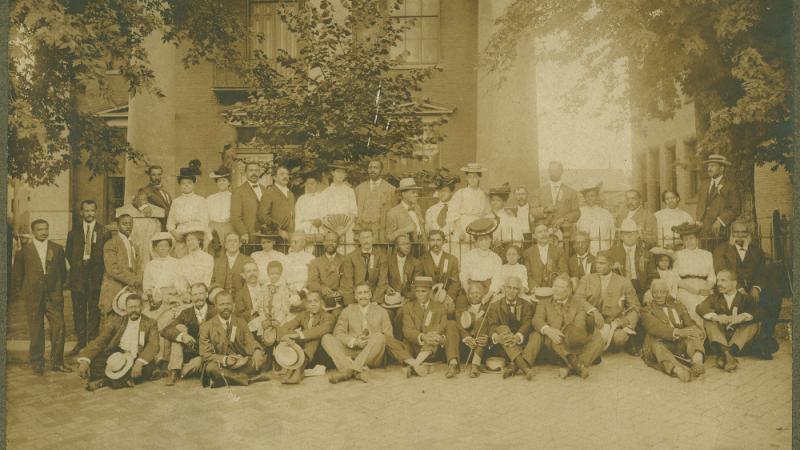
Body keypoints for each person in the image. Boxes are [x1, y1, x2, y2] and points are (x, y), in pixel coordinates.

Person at [12, 219, 70, 375]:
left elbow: (62, 273)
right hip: (33, 296)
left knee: (59, 328)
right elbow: (18, 276)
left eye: (46, 228)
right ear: (33, 232)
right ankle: (37, 363)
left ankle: (57, 362)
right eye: (39, 229)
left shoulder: (57, 249)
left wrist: (57, 289)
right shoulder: (23, 252)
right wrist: (26, 293)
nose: (44, 232)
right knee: (36, 329)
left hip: (53, 295)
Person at [713, 221, 777, 358]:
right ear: (731, 233)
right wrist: (739, 289)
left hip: (752, 288)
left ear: (748, 234)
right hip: (732, 288)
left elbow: (762, 273)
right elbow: (722, 272)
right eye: (736, 232)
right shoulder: (722, 249)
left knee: (772, 299)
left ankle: (763, 340)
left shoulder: (756, 250)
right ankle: (752, 345)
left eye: (743, 232)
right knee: (747, 304)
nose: (739, 235)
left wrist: (756, 288)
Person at [77, 294, 159, 391]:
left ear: (141, 307)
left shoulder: (150, 323)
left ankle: (105, 381)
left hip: (137, 356)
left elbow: (153, 345)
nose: (133, 310)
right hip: (118, 355)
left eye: (136, 306)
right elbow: (101, 340)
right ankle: (122, 380)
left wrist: (139, 363)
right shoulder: (118, 321)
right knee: (95, 363)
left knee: (146, 368)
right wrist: (85, 360)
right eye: (130, 307)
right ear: (126, 308)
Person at [322, 282, 400, 384]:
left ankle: (347, 371)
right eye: (360, 293)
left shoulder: (381, 311)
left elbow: (389, 337)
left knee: (380, 337)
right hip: (352, 351)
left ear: (370, 295)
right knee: (326, 338)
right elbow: (338, 333)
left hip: (372, 355)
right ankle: (356, 370)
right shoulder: (347, 310)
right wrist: (354, 341)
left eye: (366, 292)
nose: (363, 296)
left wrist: (370, 340)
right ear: (355, 296)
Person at [528, 277, 605, 379]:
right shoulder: (544, 303)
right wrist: (549, 331)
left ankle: (572, 367)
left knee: (597, 337)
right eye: (554, 286)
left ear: (568, 291)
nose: (555, 289)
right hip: (554, 342)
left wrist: (566, 333)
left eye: (559, 287)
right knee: (554, 338)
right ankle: (577, 366)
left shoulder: (578, 304)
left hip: (572, 338)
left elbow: (579, 326)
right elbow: (537, 320)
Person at [199, 290, 269, 387]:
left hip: (240, 362)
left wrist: (256, 350)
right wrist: (225, 359)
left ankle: (222, 380)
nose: (226, 307)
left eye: (228, 304)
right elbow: (205, 354)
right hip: (221, 364)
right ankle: (246, 379)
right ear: (215, 306)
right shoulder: (206, 327)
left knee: (259, 360)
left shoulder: (241, 322)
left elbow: (250, 341)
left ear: (233, 305)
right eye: (222, 304)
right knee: (211, 368)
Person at [696, 269, 762, 372]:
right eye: (718, 281)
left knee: (754, 323)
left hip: (737, 338)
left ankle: (726, 353)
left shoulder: (745, 298)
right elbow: (700, 308)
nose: (719, 284)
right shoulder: (714, 298)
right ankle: (728, 355)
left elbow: (759, 311)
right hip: (720, 337)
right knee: (708, 321)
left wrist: (742, 317)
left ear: (734, 283)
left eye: (723, 280)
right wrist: (717, 317)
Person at [640, 279, 706, 382]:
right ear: (651, 294)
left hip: (678, 343)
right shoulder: (647, 310)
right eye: (655, 292)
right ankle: (677, 369)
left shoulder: (677, 305)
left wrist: (696, 330)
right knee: (656, 345)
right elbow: (655, 327)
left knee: (692, 333)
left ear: (667, 292)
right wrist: (678, 332)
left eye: (662, 292)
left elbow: (688, 321)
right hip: (661, 343)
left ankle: (697, 362)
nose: (659, 295)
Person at [574, 254, 640, 354]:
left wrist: (623, 322)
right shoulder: (587, 279)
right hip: (591, 320)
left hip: (613, 322)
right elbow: (578, 298)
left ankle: (613, 341)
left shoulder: (623, 282)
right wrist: (594, 311)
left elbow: (635, 307)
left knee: (619, 339)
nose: (598, 266)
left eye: (602, 263)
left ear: (611, 265)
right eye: (596, 263)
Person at [65, 200, 107, 356]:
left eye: (92, 210)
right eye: (86, 211)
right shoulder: (73, 233)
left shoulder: (104, 231)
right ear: (81, 212)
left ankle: (92, 342)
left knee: (94, 310)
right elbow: (69, 254)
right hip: (79, 278)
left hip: (95, 278)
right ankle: (81, 342)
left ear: (96, 211)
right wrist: (78, 268)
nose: (89, 214)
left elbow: (106, 256)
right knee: (79, 310)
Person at [398, 276, 457, 378]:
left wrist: (434, 335)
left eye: (423, 291)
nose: (420, 294)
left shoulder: (440, 307)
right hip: (415, 347)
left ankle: (414, 365)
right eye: (417, 291)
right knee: (394, 342)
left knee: (435, 336)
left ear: (430, 291)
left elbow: (442, 326)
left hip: (433, 348)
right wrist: (423, 337)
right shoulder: (408, 307)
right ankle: (417, 364)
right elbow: (407, 331)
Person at [160, 283, 215, 385]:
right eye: (195, 295)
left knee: (198, 362)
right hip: (190, 352)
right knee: (178, 330)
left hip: (207, 354)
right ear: (191, 297)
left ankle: (180, 371)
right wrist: (183, 336)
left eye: (201, 294)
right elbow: (165, 330)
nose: (198, 298)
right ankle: (174, 370)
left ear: (207, 295)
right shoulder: (186, 313)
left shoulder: (215, 311)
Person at [483, 276, 536, 380]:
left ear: (519, 291)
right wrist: (496, 337)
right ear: (504, 288)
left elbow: (527, 324)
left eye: (515, 288)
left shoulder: (526, 305)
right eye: (509, 287)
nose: (511, 291)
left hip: (520, 343)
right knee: (502, 328)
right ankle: (525, 368)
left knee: (536, 336)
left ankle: (516, 365)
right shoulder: (494, 306)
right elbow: (492, 325)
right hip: (503, 345)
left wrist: (517, 336)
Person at [276, 291, 335, 384]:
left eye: (316, 301)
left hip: (321, 355)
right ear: (306, 304)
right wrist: (286, 337)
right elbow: (286, 327)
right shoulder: (303, 315)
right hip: (305, 354)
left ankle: (299, 370)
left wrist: (297, 336)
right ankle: (291, 367)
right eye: (310, 302)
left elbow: (318, 331)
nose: (313, 304)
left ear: (321, 302)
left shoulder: (328, 317)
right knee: (292, 335)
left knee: (313, 338)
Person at [98, 214, 142, 328]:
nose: (128, 227)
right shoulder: (111, 244)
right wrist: (131, 280)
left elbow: (138, 266)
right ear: (118, 226)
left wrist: (137, 279)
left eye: (130, 224)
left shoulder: (134, 245)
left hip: (130, 288)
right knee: (111, 322)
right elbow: (113, 268)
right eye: (125, 224)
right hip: (114, 286)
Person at [672, 222, 716, 326]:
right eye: (686, 239)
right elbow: (676, 278)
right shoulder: (678, 255)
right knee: (694, 305)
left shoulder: (707, 254)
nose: (689, 241)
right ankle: (698, 336)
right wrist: (695, 290)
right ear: (682, 241)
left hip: (704, 287)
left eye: (691, 238)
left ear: (697, 239)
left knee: (709, 306)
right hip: (686, 288)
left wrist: (707, 289)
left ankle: (709, 336)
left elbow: (712, 276)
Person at [696, 154, 741, 249]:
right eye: (708, 166)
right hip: (703, 230)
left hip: (720, 230)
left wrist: (720, 221)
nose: (709, 168)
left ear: (721, 168)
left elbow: (736, 209)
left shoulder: (730, 185)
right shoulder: (704, 185)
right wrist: (698, 220)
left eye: (713, 166)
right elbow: (700, 205)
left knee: (719, 258)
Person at [167, 164, 211, 257]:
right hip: (180, 237)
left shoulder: (201, 200)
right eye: (183, 183)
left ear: (194, 184)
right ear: (180, 185)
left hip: (197, 236)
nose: (186, 185)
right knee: (181, 261)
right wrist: (175, 234)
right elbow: (170, 223)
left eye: (189, 183)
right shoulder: (176, 202)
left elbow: (205, 222)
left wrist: (200, 237)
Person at [448, 282, 490, 378]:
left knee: (480, 320)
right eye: (472, 293)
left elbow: (493, 326)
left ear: (483, 295)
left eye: (478, 293)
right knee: (451, 324)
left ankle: (475, 365)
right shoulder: (460, 311)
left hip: (482, 350)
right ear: (467, 295)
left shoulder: (489, 309)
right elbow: (459, 326)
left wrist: (488, 337)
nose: (475, 295)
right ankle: (453, 365)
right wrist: (466, 338)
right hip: (465, 349)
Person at [530, 161, 580, 241]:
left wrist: (563, 219)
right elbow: (532, 211)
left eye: (555, 170)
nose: (552, 173)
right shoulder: (539, 191)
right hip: (544, 233)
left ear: (561, 171)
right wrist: (545, 210)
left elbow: (576, 213)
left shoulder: (571, 192)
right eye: (551, 170)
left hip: (564, 233)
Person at [605, 218, 653, 299]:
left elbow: (653, 275)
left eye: (633, 233)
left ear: (638, 235)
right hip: (619, 288)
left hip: (640, 287)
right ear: (621, 236)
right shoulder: (612, 253)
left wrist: (649, 290)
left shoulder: (646, 254)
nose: (629, 236)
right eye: (626, 233)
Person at [117, 190, 166, 267]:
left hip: (148, 243)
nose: (143, 201)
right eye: (140, 199)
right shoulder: (130, 217)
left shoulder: (155, 221)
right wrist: (142, 206)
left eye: (145, 200)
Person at [447, 163, 490, 246]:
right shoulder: (460, 193)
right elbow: (453, 213)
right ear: (466, 178)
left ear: (479, 177)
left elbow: (488, 213)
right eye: (470, 177)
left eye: (475, 176)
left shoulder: (484, 195)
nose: (472, 179)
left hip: (479, 227)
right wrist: (460, 231)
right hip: (463, 226)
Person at [341, 229, 388, 305]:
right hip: (356, 297)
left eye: (368, 237)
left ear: (373, 238)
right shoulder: (350, 257)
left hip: (374, 297)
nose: (366, 240)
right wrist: (352, 302)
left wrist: (375, 301)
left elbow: (383, 281)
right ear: (359, 240)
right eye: (363, 238)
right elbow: (348, 282)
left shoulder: (381, 256)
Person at [355, 159, 396, 242]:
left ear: (381, 170)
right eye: (370, 167)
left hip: (381, 232)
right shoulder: (359, 189)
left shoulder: (391, 189)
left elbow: (393, 213)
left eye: (376, 167)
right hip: (363, 231)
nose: (372, 170)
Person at [459, 218, 502, 297]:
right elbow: (463, 277)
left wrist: (488, 296)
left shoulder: (496, 258)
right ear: (476, 241)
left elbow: (497, 280)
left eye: (486, 239)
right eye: (481, 240)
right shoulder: (468, 256)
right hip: (471, 289)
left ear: (491, 240)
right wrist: (469, 293)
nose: (484, 242)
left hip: (488, 291)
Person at [319, 161, 358, 244]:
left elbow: (353, 214)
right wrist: (335, 231)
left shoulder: (350, 192)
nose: (340, 175)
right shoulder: (325, 193)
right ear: (332, 173)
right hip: (330, 231)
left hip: (347, 231)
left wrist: (343, 230)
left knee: (348, 253)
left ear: (346, 175)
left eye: (343, 172)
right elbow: (323, 216)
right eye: (338, 171)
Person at [307, 231, 346, 314]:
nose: (330, 243)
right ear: (324, 243)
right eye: (328, 240)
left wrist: (339, 292)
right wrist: (322, 288)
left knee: (337, 314)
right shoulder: (315, 262)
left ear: (338, 243)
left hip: (339, 299)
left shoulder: (345, 260)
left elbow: (348, 280)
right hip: (322, 299)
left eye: (334, 241)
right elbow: (312, 282)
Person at [384, 234, 419, 327]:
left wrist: (408, 298)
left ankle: (399, 339)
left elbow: (416, 285)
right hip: (390, 301)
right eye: (403, 244)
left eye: (408, 244)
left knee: (402, 313)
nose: (407, 246)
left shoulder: (416, 263)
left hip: (408, 299)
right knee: (386, 314)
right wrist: (387, 287)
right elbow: (382, 279)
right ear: (396, 246)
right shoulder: (387, 261)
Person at [142, 232, 188, 301]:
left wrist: (173, 290)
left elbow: (182, 284)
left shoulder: (177, 263)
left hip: (173, 296)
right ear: (155, 248)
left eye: (166, 245)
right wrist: (158, 291)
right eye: (160, 246)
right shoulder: (150, 265)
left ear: (169, 247)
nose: (163, 248)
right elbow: (146, 286)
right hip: (156, 297)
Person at [522, 223, 568, 289]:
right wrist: (534, 287)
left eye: (546, 231)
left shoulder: (559, 251)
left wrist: (556, 286)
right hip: (536, 291)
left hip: (555, 289)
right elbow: (527, 275)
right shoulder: (528, 253)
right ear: (534, 236)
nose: (543, 234)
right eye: (540, 232)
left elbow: (564, 272)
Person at [418, 230, 461, 302]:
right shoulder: (421, 261)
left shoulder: (452, 260)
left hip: (446, 299)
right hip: (428, 299)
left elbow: (455, 282)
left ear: (443, 242)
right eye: (432, 240)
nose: (435, 243)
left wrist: (448, 297)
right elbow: (420, 284)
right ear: (428, 242)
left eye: (438, 240)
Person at [257, 164, 296, 243]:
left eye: (287, 174)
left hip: (290, 236)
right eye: (282, 174)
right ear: (274, 177)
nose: (285, 176)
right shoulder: (269, 193)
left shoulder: (290, 194)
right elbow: (262, 215)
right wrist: (278, 230)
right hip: (275, 237)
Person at [230, 161, 266, 246]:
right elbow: (235, 217)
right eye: (251, 170)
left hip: (265, 237)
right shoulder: (238, 191)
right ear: (245, 173)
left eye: (256, 171)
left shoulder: (266, 190)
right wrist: (243, 233)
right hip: (248, 236)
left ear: (259, 173)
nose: (254, 173)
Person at [575, 182, 615, 253]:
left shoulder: (605, 213)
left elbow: (611, 232)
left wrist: (608, 247)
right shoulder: (580, 211)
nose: (590, 198)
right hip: (584, 247)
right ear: (585, 198)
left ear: (597, 197)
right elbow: (575, 229)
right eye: (587, 196)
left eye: (592, 196)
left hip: (602, 246)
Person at [385, 178, 426, 247]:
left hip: (421, 250)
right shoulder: (393, 213)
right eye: (413, 192)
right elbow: (389, 238)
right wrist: (404, 230)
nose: (416, 195)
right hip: (406, 253)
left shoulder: (417, 208)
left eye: (417, 192)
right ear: (403, 194)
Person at [210, 232, 253, 298]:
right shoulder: (217, 261)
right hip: (221, 300)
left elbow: (252, 283)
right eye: (229, 241)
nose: (232, 244)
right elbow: (212, 282)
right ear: (225, 245)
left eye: (235, 241)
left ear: (240, 244)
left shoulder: (248, 260)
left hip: (242, 300)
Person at [424, 175, 459, 253]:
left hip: (454, 247)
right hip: (435, 248)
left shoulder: (458, 209)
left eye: (445, 191)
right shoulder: (431, 210)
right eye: (440, 191)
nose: (442, 193)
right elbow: (427, 231)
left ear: (451, 192)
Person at [206, 167, 234, 256]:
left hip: (229, 228)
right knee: (213, 252)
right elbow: (206, 217)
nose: (221, 183)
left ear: (229, 182)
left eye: (224, 180)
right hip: (213, 229)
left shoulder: (234, 197)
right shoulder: (210, 198)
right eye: (219, 181)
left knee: (228, 253)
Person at [294, 172, 326, 245]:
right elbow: (298, 219)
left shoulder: (322, 198)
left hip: (319, 233)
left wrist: (321, 221)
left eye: (312, 183)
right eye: (307, 184)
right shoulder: (301, 200)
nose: (309, 186)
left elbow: (326, 215)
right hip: (305, 232)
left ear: (317, 184)